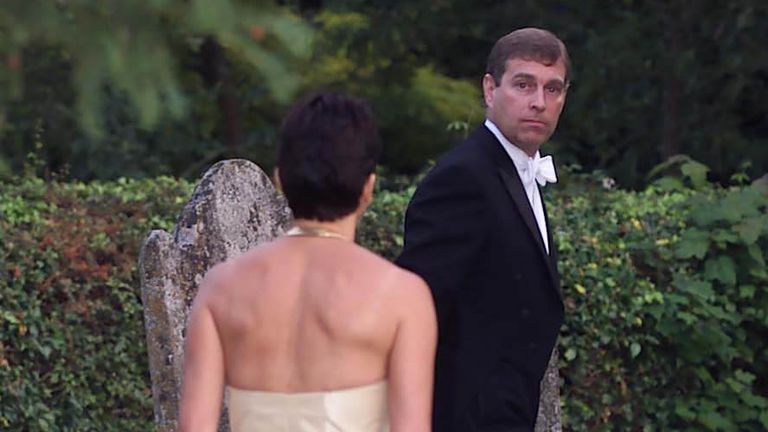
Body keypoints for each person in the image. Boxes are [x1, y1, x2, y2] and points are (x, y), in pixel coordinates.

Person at [178, 93, 437, 432]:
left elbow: (193, 426)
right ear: (368, 188)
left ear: (279, 180)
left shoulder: (221, 286)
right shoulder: (402, 294)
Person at [396, 28, 570, 431]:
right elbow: (417, 309)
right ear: (490, 90)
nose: (538, 102)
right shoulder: (461, 178)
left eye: (553, 89)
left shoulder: (518, 170)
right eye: (523, 85)